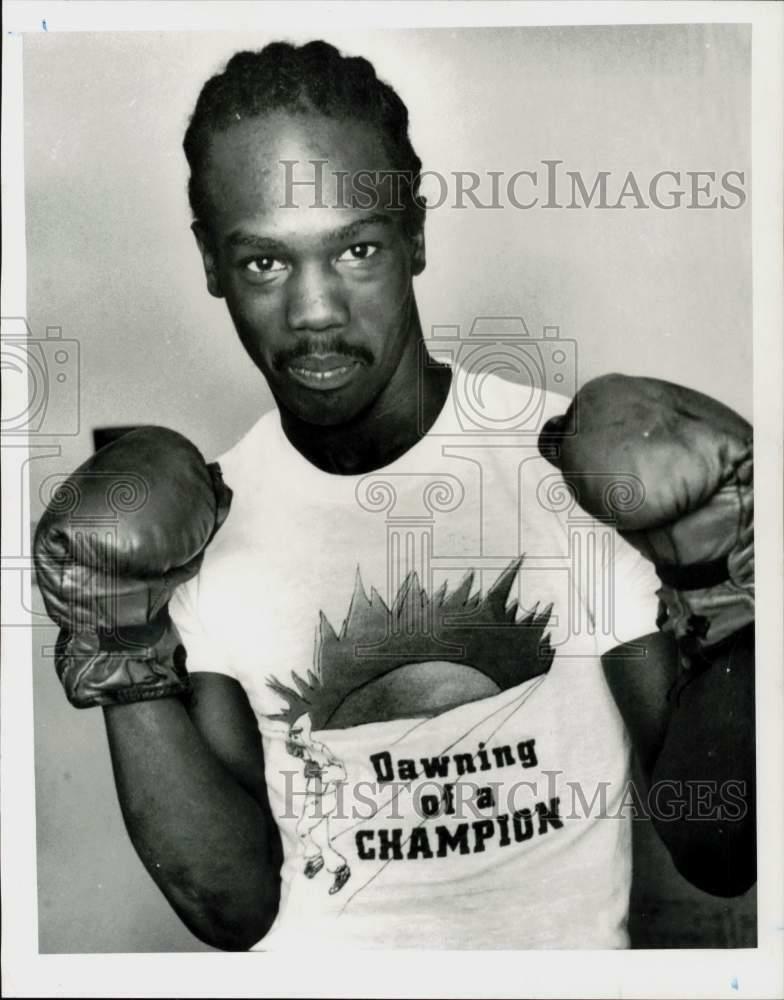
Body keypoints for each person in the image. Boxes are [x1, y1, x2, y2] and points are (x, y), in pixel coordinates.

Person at [33, 41, 755, 951]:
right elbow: (233, 907)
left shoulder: (567, 469)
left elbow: (716, 848)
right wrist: (120, 651)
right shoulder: (205, 523)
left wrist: (726, 603)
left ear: (416, 236)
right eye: (264, 264)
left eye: (358, 249)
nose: (315, 311)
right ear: (211, 263)